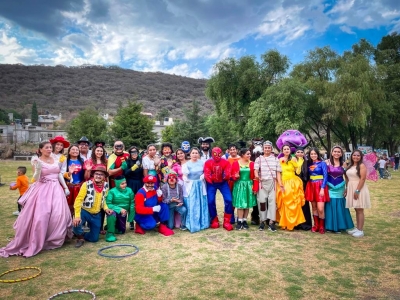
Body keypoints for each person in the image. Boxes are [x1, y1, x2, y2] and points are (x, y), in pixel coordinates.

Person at [1, 141, 72, 257]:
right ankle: (38, 239)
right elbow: (35, 178)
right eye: (46, 148)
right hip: (43, 190)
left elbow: (58, 173)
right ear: (40, 150)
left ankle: (54, 239)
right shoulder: (36, 160)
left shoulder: (55, 158)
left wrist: (65, 187)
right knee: (42, 215)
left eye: (50, 147)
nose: (49, 149)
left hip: (56, 189)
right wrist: (38, 169)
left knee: (58, 214)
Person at [73, 166, 112, 248]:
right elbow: (78, 200)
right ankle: (80, 237)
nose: (98, 176)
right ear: (93, 175)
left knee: (94, 239)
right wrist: (77, 215)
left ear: (104, 177)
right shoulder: (86, 184)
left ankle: (84, 234)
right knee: (76, 223)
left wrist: (106, 208)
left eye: (101, 174)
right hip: (84, 211)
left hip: (96, 214)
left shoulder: (106, 185)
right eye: (96, 174)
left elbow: (104, 199)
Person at [254, 141, 283, 232]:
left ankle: (271, 222)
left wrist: (280, 184)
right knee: (262, 202)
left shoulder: (275, 159)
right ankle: (262, 221)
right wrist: (257, 176)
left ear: (271, 149)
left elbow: (278, 173)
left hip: (272, 183)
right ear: (263, 149)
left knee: (272, 202)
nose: (267, 149)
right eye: (265, 147)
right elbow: (255, 170)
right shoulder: (259, 159)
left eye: (269, 148)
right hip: (262, 183)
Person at [324, 146, 354, 233]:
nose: (336, 153)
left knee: (339, 206)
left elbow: (347, 177)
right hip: (329, 186)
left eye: (338, 152)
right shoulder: (326, 162)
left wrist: (347, 188)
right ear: (332, 153)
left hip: (340, 187)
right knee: (329, 205)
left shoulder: (344, 164)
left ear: (341, 154)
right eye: (335, 151)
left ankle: (340, 226)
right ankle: (329, 226)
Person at [276, 144, 306, 230]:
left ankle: (291, 223)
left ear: (290, 150)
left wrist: (299, 163)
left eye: (288, 149)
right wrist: (280, 183)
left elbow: (297, 171)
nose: (286, 150)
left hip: (292, 182)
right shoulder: (279, 160)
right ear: (282, 151)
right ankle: (284, 222)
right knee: (283, 202)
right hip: (283, 182)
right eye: (284, 149)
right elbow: (278, 172)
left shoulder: (293, 159)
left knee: (292, 202)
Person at [204, 147, 234, 231]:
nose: (217, 155)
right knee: (210, 201)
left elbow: (228, 171)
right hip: (212, 184)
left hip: (223, 183)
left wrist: (225, 176)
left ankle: (227, 221)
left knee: (229, 200)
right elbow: (207, 173)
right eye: (214, 154)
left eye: (219, 154)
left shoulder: (225, 162)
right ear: (212, 153)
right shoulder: (208, 162)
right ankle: (214, 219)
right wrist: (211, 178)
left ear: (221, 153)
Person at [345, 150, 371, 238]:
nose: (356, 157)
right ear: (351, 156)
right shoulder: (350, 166)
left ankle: (360, 230)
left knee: (360, 209)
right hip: (351, 187)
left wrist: (357, 191)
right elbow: (347, 178)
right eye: (354, 155)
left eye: (358, 155)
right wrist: (347, 188)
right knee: (356, 209)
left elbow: (363, 179)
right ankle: (357, 228)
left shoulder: (362, 166)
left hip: (358, 188)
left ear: (361, 157)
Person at [182, 148, 209, 233]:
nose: (194, 154)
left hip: (201, 185)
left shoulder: (202, 163)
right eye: (193, 153)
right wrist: (185, 179)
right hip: (191, 185)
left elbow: (206, 171)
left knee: (202, 202)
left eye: (196, 153)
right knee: (193, 203)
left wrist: (203, 175)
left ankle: (203, 222)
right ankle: (193, 223)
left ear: (198, 154)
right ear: (190, 154)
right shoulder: (187, 164)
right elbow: (184, 175)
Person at [305, 147, 330, 234]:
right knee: (314, 207)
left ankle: (322, 226)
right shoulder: (308, 164)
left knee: (320, 208)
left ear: (317, 154)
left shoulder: (322, 163)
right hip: (311, 185)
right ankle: (316, 225)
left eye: (315, 154)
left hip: (320, 186)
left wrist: (322, 188)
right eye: (311, 154)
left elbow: (325, 176)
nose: (313, 155)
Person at [231, 148, 257, 230]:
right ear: (242, 155)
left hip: (249, 185)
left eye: (250, 154)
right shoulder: (236, 163)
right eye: (248, 154)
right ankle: (239, 221)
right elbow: (231, 176)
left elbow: (255, 177)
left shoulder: (252, 164)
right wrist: (235, 177)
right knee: (240, 204)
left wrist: (255, 187)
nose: (249, 155)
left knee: (247, 204)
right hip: (239, 185)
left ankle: (245, 220)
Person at [105, 177, 135, 242]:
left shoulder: (129, 190)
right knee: (111, 214)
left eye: (125, 183)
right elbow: (108, 203)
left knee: (121, 231)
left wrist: (130, 218)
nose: (125, 185)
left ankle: (110, 225)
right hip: (114, 211)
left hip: (123, 213)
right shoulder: (112, 191)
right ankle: (110, 233)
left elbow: (132, 203)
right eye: (122, 184)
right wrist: (119, 209)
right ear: (117, 184)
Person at [124, 146, 144, 230]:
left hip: (139, 182)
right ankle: (131, 221)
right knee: (131, 202)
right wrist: (134, 167)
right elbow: (126, 173)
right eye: (132, 152)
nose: (134, 153)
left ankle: (139, 220)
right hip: (130, 182)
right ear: (130, 153)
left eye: (135, 152)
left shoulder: (141, 161)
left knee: (139, 201)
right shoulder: (127, 161)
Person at [63, 144, 85, 216]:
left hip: (79, 187)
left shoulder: (82, 161)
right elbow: (62, 174)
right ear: (69, 152)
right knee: (68, 206)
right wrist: (69, 173)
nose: (75, 151)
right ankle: (68, 223)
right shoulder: (65, 161)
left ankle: (77, 222)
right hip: (69, 186)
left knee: (78, 205)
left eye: (77, 150)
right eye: (73, 149)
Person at [294, 147, 312, 230]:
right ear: (295, 153)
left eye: (302, 152)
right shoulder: (292, 162)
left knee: (304, 204)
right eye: (298, 152)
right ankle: (296, 223)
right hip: (294, 186)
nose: (300, 153)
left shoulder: (307, 162)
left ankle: (305, 224)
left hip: (304, 186)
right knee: (296, 204)